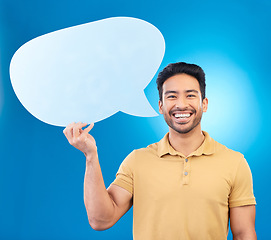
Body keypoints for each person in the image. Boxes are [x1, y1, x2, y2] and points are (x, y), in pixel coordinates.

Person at [63, 62, 257, 240]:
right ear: (161, 106)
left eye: (190, 95)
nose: (181, 104)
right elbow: (101, 220)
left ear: (204, 104)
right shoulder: (137, 160)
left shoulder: (234, 163)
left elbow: (243, 234)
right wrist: (90, 155)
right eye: (171, 96)